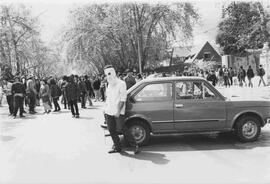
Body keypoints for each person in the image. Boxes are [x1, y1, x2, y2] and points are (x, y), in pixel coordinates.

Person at [104, 65, 139, 154]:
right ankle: (117, 147)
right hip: (109, 111)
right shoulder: (108, 84)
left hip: (118, 111)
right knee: (111, 129)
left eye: (109, 73)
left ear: (113, 72)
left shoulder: (121, 83)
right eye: (106, 74)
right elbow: (108, 98)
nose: (107, 76)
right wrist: (105, 108)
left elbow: (123, 99)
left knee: (122, 129)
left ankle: (135, 146)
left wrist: (118, 111)